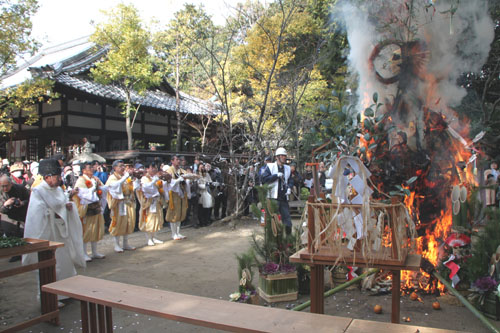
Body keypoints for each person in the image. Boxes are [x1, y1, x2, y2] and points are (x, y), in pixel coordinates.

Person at [22, 159, 86, 295]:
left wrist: (67, 206)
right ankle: (51, 297)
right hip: (48, 233)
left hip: (61, 233)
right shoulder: (38, 191)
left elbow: (61, 202)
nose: (59, 180)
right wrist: (57, 211)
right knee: (51, 266)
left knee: (65, 263)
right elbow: (37, 214)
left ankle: (67, 291)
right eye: (57, 177)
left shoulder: (57, 189)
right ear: (47, 177)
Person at [73, 162, 106, 261]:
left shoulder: (95, 179)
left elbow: (102, 189)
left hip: (96, 207)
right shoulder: (81, 180)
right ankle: (84, 253)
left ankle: (94, 251)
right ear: (84, 170)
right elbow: (81, 193)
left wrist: (100, 188)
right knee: (86, 231)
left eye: (92, 167)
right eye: (89, 167)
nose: (92, 169)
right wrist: (93, 190)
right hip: (87, 208)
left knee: (95, 230)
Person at [105, 160, 137, 253]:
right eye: (120, 166)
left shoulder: (124, 177)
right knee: (118, 223)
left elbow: (131, 187)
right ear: (114, 168)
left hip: (127, 202)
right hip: (118, 204)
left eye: (123, 166)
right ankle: (116, 244)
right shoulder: (112, 177)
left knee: (127, 222)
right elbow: (113, 187)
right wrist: (124, 178)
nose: (122, 168)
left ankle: (125, 243)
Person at [261, 147, 294, 235]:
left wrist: (290, 187)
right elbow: (264, 179)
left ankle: (288, 241)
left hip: (283, 198)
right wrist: (275, 176)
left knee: (287, 221)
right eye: (282, 156)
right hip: (273, 198)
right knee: (273, 220)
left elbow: (290, 180)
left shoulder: (287, 168)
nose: (284, 157)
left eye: (284, 156)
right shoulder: (270, 166)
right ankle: (274, 242)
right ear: (277, 157)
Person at [0, 174, 30, 261]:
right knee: (11, 235)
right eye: (2, 186)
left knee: (23, 233)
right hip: (8, 216)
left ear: (11, 184)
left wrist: (22, 203)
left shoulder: (20, 188)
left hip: (21, 215)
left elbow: (30, 199)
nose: (5, 188)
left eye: (6, 186)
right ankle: (15, 254)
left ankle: (24, 253)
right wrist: (6, 204)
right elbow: (1, 209)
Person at [136, 161, 165, 246]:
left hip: (156, 201)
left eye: (155, 167)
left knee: (157, 219)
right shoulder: (144, 178)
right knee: (148, 220)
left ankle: (154, 237)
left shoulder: (157, 177)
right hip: (148, 202)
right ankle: (149, 238)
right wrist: (153, 182)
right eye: (152, 168)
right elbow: (145, 187)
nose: (154, 169)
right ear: (147, 169)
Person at [165, 155, 188, 240]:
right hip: (173, 194)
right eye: (177, 159)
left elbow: (186, 179)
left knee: (180, 213)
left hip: (181, 194)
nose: (178, 161)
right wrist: (178, 180)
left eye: (179, 159)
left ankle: (178, 232)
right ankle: (173, 233)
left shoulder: (182, 170)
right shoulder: (169, 170)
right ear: (172, 161)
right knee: (173, 213)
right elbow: (168, 182)